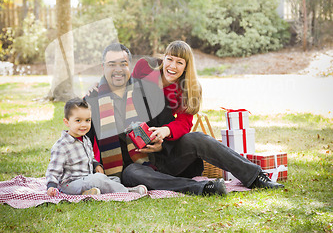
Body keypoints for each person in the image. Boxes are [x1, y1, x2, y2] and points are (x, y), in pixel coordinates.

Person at [86, 42, 283, 196]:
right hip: (137, 168)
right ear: (103, 67)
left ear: (130, 67)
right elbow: (81, 141)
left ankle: (256, 177)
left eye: (123, 64)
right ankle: (204, 188)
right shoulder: (92, 101)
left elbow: (179, 124)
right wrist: (96, 166)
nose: (118, 69)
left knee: (196, 138)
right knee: (132, 174)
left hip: (166, 158)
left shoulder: (145, 89)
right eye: (112, 65)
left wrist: (161, 143)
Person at [46, 97, 148, 197]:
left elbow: (90, 157)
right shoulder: (62, 145)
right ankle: (128, 192)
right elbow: (54, 169)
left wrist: (96, 165)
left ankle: (88, 193)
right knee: (98, 179)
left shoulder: (85, 140)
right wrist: (51, 186)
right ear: (67, 122)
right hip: (70, 184)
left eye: (87, 120)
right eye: (78, 120)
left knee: (113, 179)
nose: (84, 124)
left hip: (87, 179)